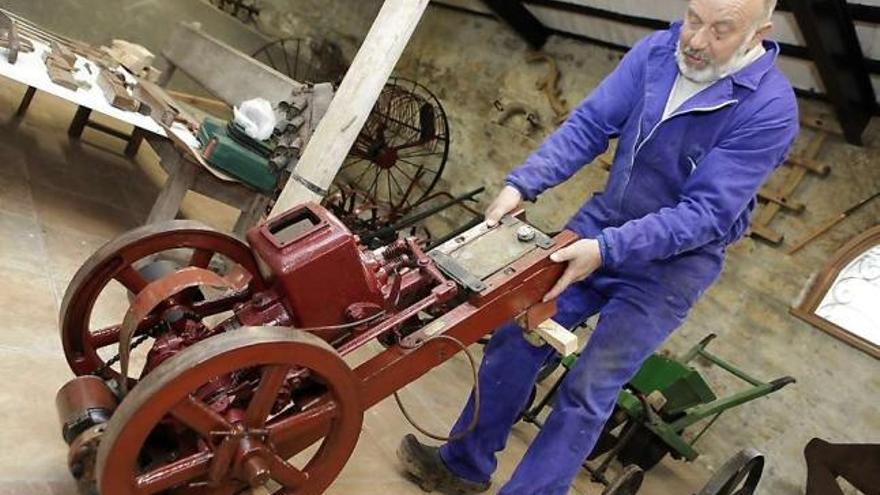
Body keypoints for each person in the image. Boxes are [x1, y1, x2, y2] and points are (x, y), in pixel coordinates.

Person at [397, 0, 799, 493]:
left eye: (720, 30)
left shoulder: (770, 109)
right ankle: (461, 466)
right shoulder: (657, 52)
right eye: (694, 17)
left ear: (760, 33)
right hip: (603, 222)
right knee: (516, 334)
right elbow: (589, 125)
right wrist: (523, 184)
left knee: (588, 387)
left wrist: (607, 250)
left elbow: (706, 215)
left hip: (675, 264)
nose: (694, 40)